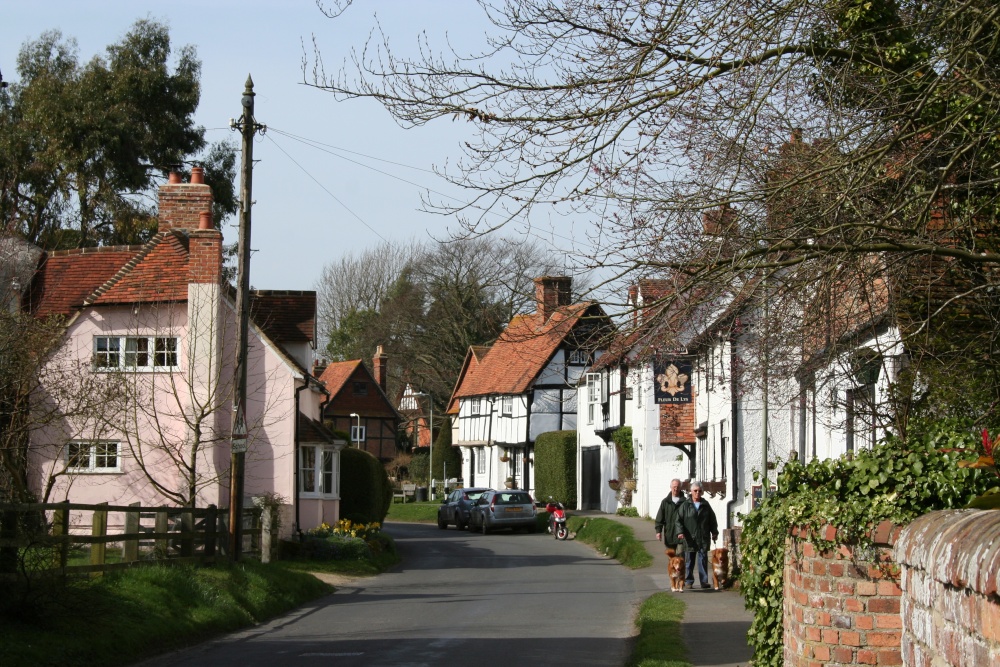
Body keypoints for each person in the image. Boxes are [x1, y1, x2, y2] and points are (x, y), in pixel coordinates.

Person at [675, 480, 719, 590]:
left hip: (703, 537)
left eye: (699, 491)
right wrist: (680, 532)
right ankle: (689, 581)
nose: (697, 493)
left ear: (702, 492)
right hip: (689, 537)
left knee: (703, 560)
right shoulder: (685, 505)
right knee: (689, 561)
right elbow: (678, 520)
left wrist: (714, 532)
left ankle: (704, 582)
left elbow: (712, 520)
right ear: (691, 491)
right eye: (695, 491)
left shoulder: (705, 505)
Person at [654, 478, 686, 553]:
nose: (676, 489)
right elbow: (660, 517)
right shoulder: (665, 502)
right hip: (669, 535)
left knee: (680, 558)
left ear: (680, 488)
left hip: (681, 536)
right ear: (671, 487)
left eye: (678, 487)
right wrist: (658, 531)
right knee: (671, 559)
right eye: (674, 487)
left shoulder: (685, 502)